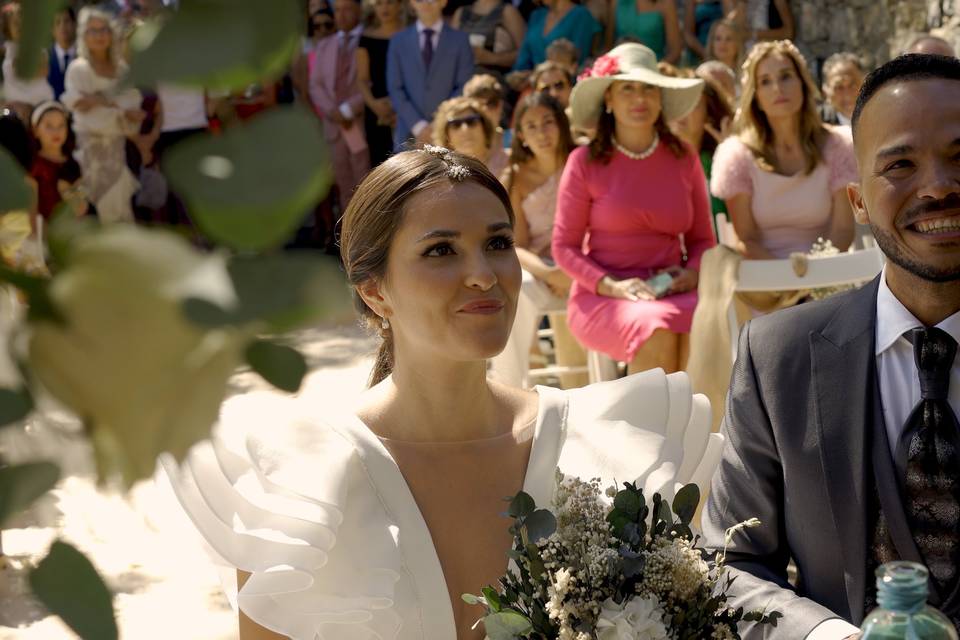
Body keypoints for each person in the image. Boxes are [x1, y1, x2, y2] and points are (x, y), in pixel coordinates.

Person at [162, 146, 716, 640]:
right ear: (374, 291)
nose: (483, 274)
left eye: (497, 243)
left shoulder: (606, 448)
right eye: (440, 251)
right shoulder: (299, 484)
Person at [703, 53, 960, 637]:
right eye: (899, 164)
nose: (939, 187)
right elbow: (730, 564)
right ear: (858, 201)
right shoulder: (778, 358)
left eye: (959, 157)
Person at [554, 43, 715, 373]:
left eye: (648, 89)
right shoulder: (583, 162)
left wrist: (692, 272)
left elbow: (703, 239)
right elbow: (564, 247)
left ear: (660, 98)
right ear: (608, 100)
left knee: (712, 322)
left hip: (674, 289)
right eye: (627, 88)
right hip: (603, 295)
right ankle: (650, 425)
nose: (639, 99)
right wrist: (613, 285)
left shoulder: (684, 156)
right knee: (655, 327)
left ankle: (696, 423)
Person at [710, 40, 856, 259]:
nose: (778, 88)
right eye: (765, 82)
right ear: (756, 96)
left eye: (786, 76)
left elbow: (843, 231)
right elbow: (746, 239)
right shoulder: (736, 155)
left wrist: (816, 281)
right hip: (766, 283)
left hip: (829, 274)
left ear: (802, 83)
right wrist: (790, 285)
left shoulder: (840, 145)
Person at [490, 92, 586, 388]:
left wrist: (574, 271)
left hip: (589, 263)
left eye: (548, 122)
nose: (541, 132)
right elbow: (515, 244)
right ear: (519, 135)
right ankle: (509, 390)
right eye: (531, 126)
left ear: (561, 124)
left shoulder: (584, 160)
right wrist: (550, 272)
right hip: (544, 270)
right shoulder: (515, 176)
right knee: (516, 289)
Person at [60, 7, 142, 224]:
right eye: (92, 30)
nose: (98, 35)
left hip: (119, 154)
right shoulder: (78, 69)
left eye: (103, 29)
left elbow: (134, 107)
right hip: (89, 156)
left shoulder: (122, 69)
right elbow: (88, 119)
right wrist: (119, 109)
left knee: (123, 216)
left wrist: (98, 100)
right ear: (83, 36)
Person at [386, 0, 474, 150]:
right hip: (409, 133)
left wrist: (438, 123)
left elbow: (464, 86)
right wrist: (419, 126)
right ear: (412, 3)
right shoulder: (398, 41)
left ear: (443, 2)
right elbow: (395, 88)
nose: (426, 3)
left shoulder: (460, 40)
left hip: (448, 132)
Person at [310, 0, 370, 208]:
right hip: (335, 128)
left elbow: (373, 83)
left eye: (347, 10)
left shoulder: (369, 40)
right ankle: (346, 238)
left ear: (358, 11)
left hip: (360, 124)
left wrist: (347, 109)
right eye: (338, 10)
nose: (341, 15)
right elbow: (315, 85)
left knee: (366, 187)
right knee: (344, 187)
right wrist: (333, 111)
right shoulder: (326, 45)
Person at [667, 70, 733, 230]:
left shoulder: (721, 162)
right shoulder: (653, 161)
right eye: (678, 102)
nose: (682, 111)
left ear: (708, 115)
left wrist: (730, 154)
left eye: (692, 103)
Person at [356, 0, 403, 167]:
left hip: (407, 110)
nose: (384, 8)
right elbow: (361, 79)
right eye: (379, 3)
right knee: (380, 166)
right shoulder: (366, 39)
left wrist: (399, 106)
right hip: (377, 112)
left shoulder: (411, 35)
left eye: (390, 2)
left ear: (399, 5)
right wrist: (375, 106)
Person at [28, 101, 87, 226]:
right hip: (45, 235)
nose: (56, 131)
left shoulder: (74, 163)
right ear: (35, 130)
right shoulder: (34, 166)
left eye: (61, 125)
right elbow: (31, 211)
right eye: (49, 126)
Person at [1, 3, 54, 123]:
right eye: (15, 23)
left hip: (41, 106)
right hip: (16, 110)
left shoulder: (39, 49)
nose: (21, 27)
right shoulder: (9, 51)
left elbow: (41, 71)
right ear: (7, 28)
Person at [431, 96, 508, 177]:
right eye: (456, 124)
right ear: (446, 136)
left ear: (484, 127)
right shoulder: (441, 177)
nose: (465, 129)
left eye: (471, 121)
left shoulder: (511, 162)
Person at [513, 0, 600, 71]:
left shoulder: (581, 15)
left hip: (562, 85)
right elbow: (523, 59)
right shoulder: (536, 16)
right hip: (531, 84)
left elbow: (578, 60)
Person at [451, 0, 526, 77]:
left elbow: (526, 54)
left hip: (492, 81)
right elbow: (450, 51)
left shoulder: (507, 11)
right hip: (461, 78)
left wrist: (490, 58)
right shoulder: (461, 12)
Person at [607, 0, 682, 65]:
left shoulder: (666, 3)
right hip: (619, 73)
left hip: (654, 72)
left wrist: (654, 70)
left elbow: (675, 52)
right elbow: (608, 45)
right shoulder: (616, 2)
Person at [819, 52, 865, 128]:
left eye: (853, 85)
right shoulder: (817, 125)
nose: (847, 94)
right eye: (839, 87)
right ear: (825, 91)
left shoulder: (881, 116)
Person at [463, 73, 506, 150]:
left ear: (500, 105)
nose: (485, 110)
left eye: (491, 103)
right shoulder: (457, 145)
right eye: (476, 108)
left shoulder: (515, 143)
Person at [47, 8, 77, 101]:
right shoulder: (44, 58)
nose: (62, 26)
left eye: (67, 21)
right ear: (51, 29)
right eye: (57, 22)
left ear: (75, 25)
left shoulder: (85, 56)